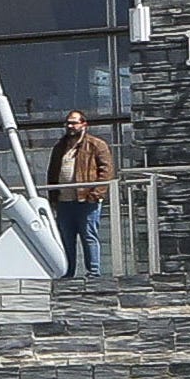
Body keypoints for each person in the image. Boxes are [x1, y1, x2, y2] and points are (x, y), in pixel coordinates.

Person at [50, 109, 116, 278]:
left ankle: (93, 272)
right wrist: (53, 198)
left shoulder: (96, 145)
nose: (70, 126)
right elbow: (52, 173)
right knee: (66, 239)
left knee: (88, 236)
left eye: (74, 122)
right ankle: (68, 273)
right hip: (64, 201)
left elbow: (106, 172)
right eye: (68, 123)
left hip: (86, 200)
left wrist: (95, 194)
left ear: (84, 124)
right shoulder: (60, 147)